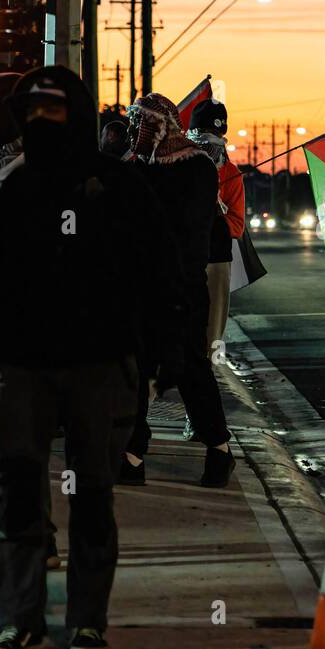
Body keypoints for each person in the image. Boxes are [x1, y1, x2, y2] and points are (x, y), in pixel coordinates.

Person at [0, 66, 175, 649]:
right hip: (22, 367)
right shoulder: (15, 189)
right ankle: (20, 621)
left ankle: (87, 622)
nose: (43, 123)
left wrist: (153, 365)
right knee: (18, 495)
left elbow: (158, 279)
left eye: (53, 110)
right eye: (34, 112)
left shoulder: (122, 189)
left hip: (100, 365)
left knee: (93, 499)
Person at [122, 93, 235, 488]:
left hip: (182, 289)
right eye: (136, 124)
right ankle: (132, 455)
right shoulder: (136, 168)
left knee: (189, 372)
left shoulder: (198, 168)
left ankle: (219, 449)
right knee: (134, 370)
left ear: (163, 125)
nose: (138, 131)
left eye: (145, 124)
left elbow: (192, 236)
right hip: (140, 290)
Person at [186, 99, 244, 353]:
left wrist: (215, 213)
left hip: (216, 259)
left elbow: (237, 226)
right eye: (203, 136)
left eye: (216, 135)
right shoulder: (178, 167)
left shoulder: (231, 173)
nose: (210, 142)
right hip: (183, 259)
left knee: (210, 336)